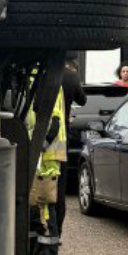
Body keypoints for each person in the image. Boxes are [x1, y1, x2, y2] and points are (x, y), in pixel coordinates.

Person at [26, 74, 67, 255]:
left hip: (46, 155)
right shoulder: (42, 77)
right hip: (42, 153)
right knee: (36, 205)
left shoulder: (43, 79)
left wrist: (40, 147)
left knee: (44, 206)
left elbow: (53, 122)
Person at [57, 58, 87, 235]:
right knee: (59, 186)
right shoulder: (71, 76)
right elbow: (82, 100)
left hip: (36, 135)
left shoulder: (41, 74)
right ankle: (56, 231)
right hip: (61, 137)